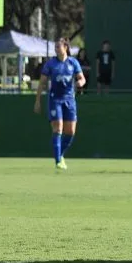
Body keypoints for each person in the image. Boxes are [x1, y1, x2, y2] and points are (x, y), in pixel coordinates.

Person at [34, 37, 85, 171]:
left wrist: (80, 82)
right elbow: (42, 83)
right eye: (55, 47)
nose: (56, 49)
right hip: (55, 99)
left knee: (71, 131)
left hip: (70, 100)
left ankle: (60, 154)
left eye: (58, 46)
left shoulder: (73, 62)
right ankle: (58, 161)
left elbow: (82, 78)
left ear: (65, 47)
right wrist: (37, 100)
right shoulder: (51, 64)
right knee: (58, 128)